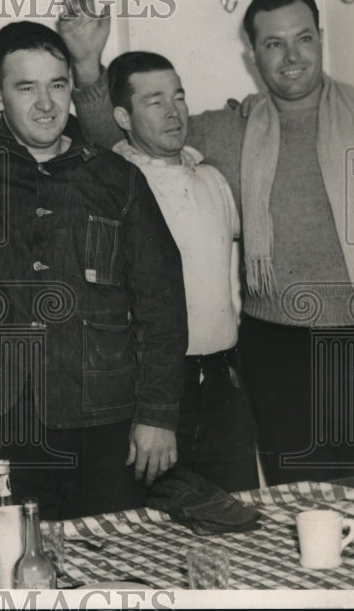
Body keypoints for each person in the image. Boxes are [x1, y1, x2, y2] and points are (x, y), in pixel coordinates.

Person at [73, 0, 354, 486]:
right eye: (274, 44)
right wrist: (86, 66)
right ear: (253, 55)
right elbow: (119, 137)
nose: (292, 56)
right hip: (276, 354)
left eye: (303, 38)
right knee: (298, 506)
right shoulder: (232, 130)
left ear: (320, 38)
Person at [0, 0, 188, 527]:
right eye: (26, 88)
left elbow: (162, 301)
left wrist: (158, 416)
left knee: (114, 568)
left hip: (107, 422)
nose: (46, 104)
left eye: (58, 85)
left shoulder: (118, 178)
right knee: (16, 572)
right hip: (4, 423)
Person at [105, 50, 258, 491]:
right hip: (155, 393)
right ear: (123, 115)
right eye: (154, 101)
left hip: (225, 386)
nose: (174, 112)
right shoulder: (112, 185)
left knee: (237, 517)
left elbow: (232, 283)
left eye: (179, 97)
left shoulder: (213, 179)